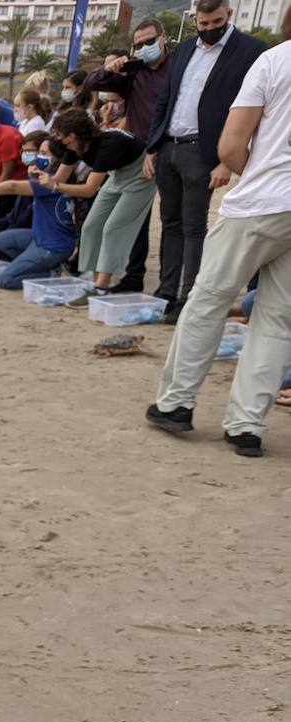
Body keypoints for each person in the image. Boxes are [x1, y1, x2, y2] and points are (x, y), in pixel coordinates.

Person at [146, 30, 291, 455]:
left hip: (261, 202)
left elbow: (230, 146)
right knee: (278, 319)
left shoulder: (273, 61)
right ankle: (247, 425)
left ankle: (176, 403)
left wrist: (262, 174)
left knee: (207, 299)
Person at [145, 0, 266, 322]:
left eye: (217, 22)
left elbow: (251, 110)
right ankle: (167, 291)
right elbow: (166, 98)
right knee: (170, 222)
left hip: (205, 152)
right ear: (195, 20)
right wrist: (152, 146)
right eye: (204, 23)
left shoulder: (251, 51)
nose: (211, 29)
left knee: (194, 225)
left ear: (229, 16)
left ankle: (189, 295)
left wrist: (226, 160)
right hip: (169, 144)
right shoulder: (184, 50)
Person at [83, 18, 172, 294]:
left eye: (149, 41)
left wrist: (157, 149)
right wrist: (110, 68)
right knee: (97, 222)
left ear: (163, 37)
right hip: (128, 155)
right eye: (138, 45)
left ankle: (111, 282)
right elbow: (92, 83)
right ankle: (95, 276)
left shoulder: (177, 67)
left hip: (156, 154)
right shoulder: (136, 72)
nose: (145, 48)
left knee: (122, 224)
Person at [46, 110, 154, 306]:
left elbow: (89, 190)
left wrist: (54, 185)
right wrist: (43, 177)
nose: (61, 142)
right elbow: (59, 178)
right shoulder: (74, 146)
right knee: (91, 226)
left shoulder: (108, 144)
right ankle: (96, 283)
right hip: (118, 174)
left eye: (62, 138)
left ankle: (101, 288)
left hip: (141, 175)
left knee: (114, 227)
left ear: (73, 135)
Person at [0, 137, 77, 289]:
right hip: (43, 237)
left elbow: (12, 186)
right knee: (2, 239)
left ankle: (54, 274)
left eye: (44, 153)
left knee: (5, 280)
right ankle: (42, 266)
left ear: (57, 159)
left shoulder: (50, 182)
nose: (39, 157)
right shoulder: (55, 179)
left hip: (51, 247)